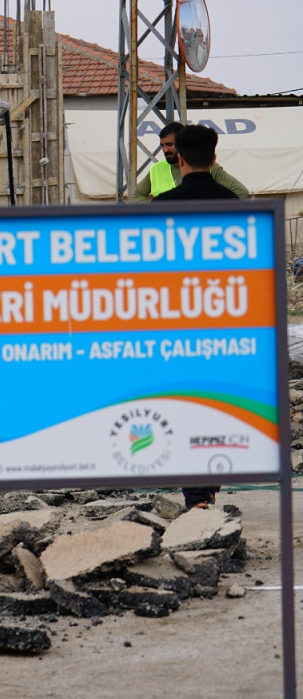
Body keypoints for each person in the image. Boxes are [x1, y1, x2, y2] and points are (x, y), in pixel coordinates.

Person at [153, 123, 239, 509]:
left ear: (180, 158)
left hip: (177, 322)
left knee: (187, 404)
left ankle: (199, 495)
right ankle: (210, 478)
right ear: (215, 158)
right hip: (225, 320)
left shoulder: (160, 208)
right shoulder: (237, 208)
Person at [131, 122, 250, 202]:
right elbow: (136, 195)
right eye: (162, 145)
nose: (165, 150)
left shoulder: (210, 167)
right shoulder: (156, 169)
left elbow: (241, 192)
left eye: (169, 144)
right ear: (213, 159)